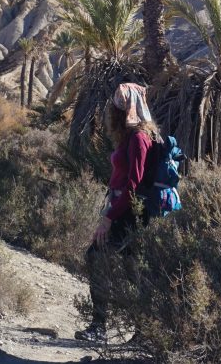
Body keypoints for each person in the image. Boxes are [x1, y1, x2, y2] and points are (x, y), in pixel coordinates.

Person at [74, 82, 157, 343]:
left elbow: (133, 185)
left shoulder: (139, 139)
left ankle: (101, 327)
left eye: (118, 105)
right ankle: (144, 332)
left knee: (98, 256)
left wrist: (109, 218)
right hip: (126, 210)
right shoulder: (131, 138)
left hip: (130, 214)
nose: (113, 110)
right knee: (133, 269)